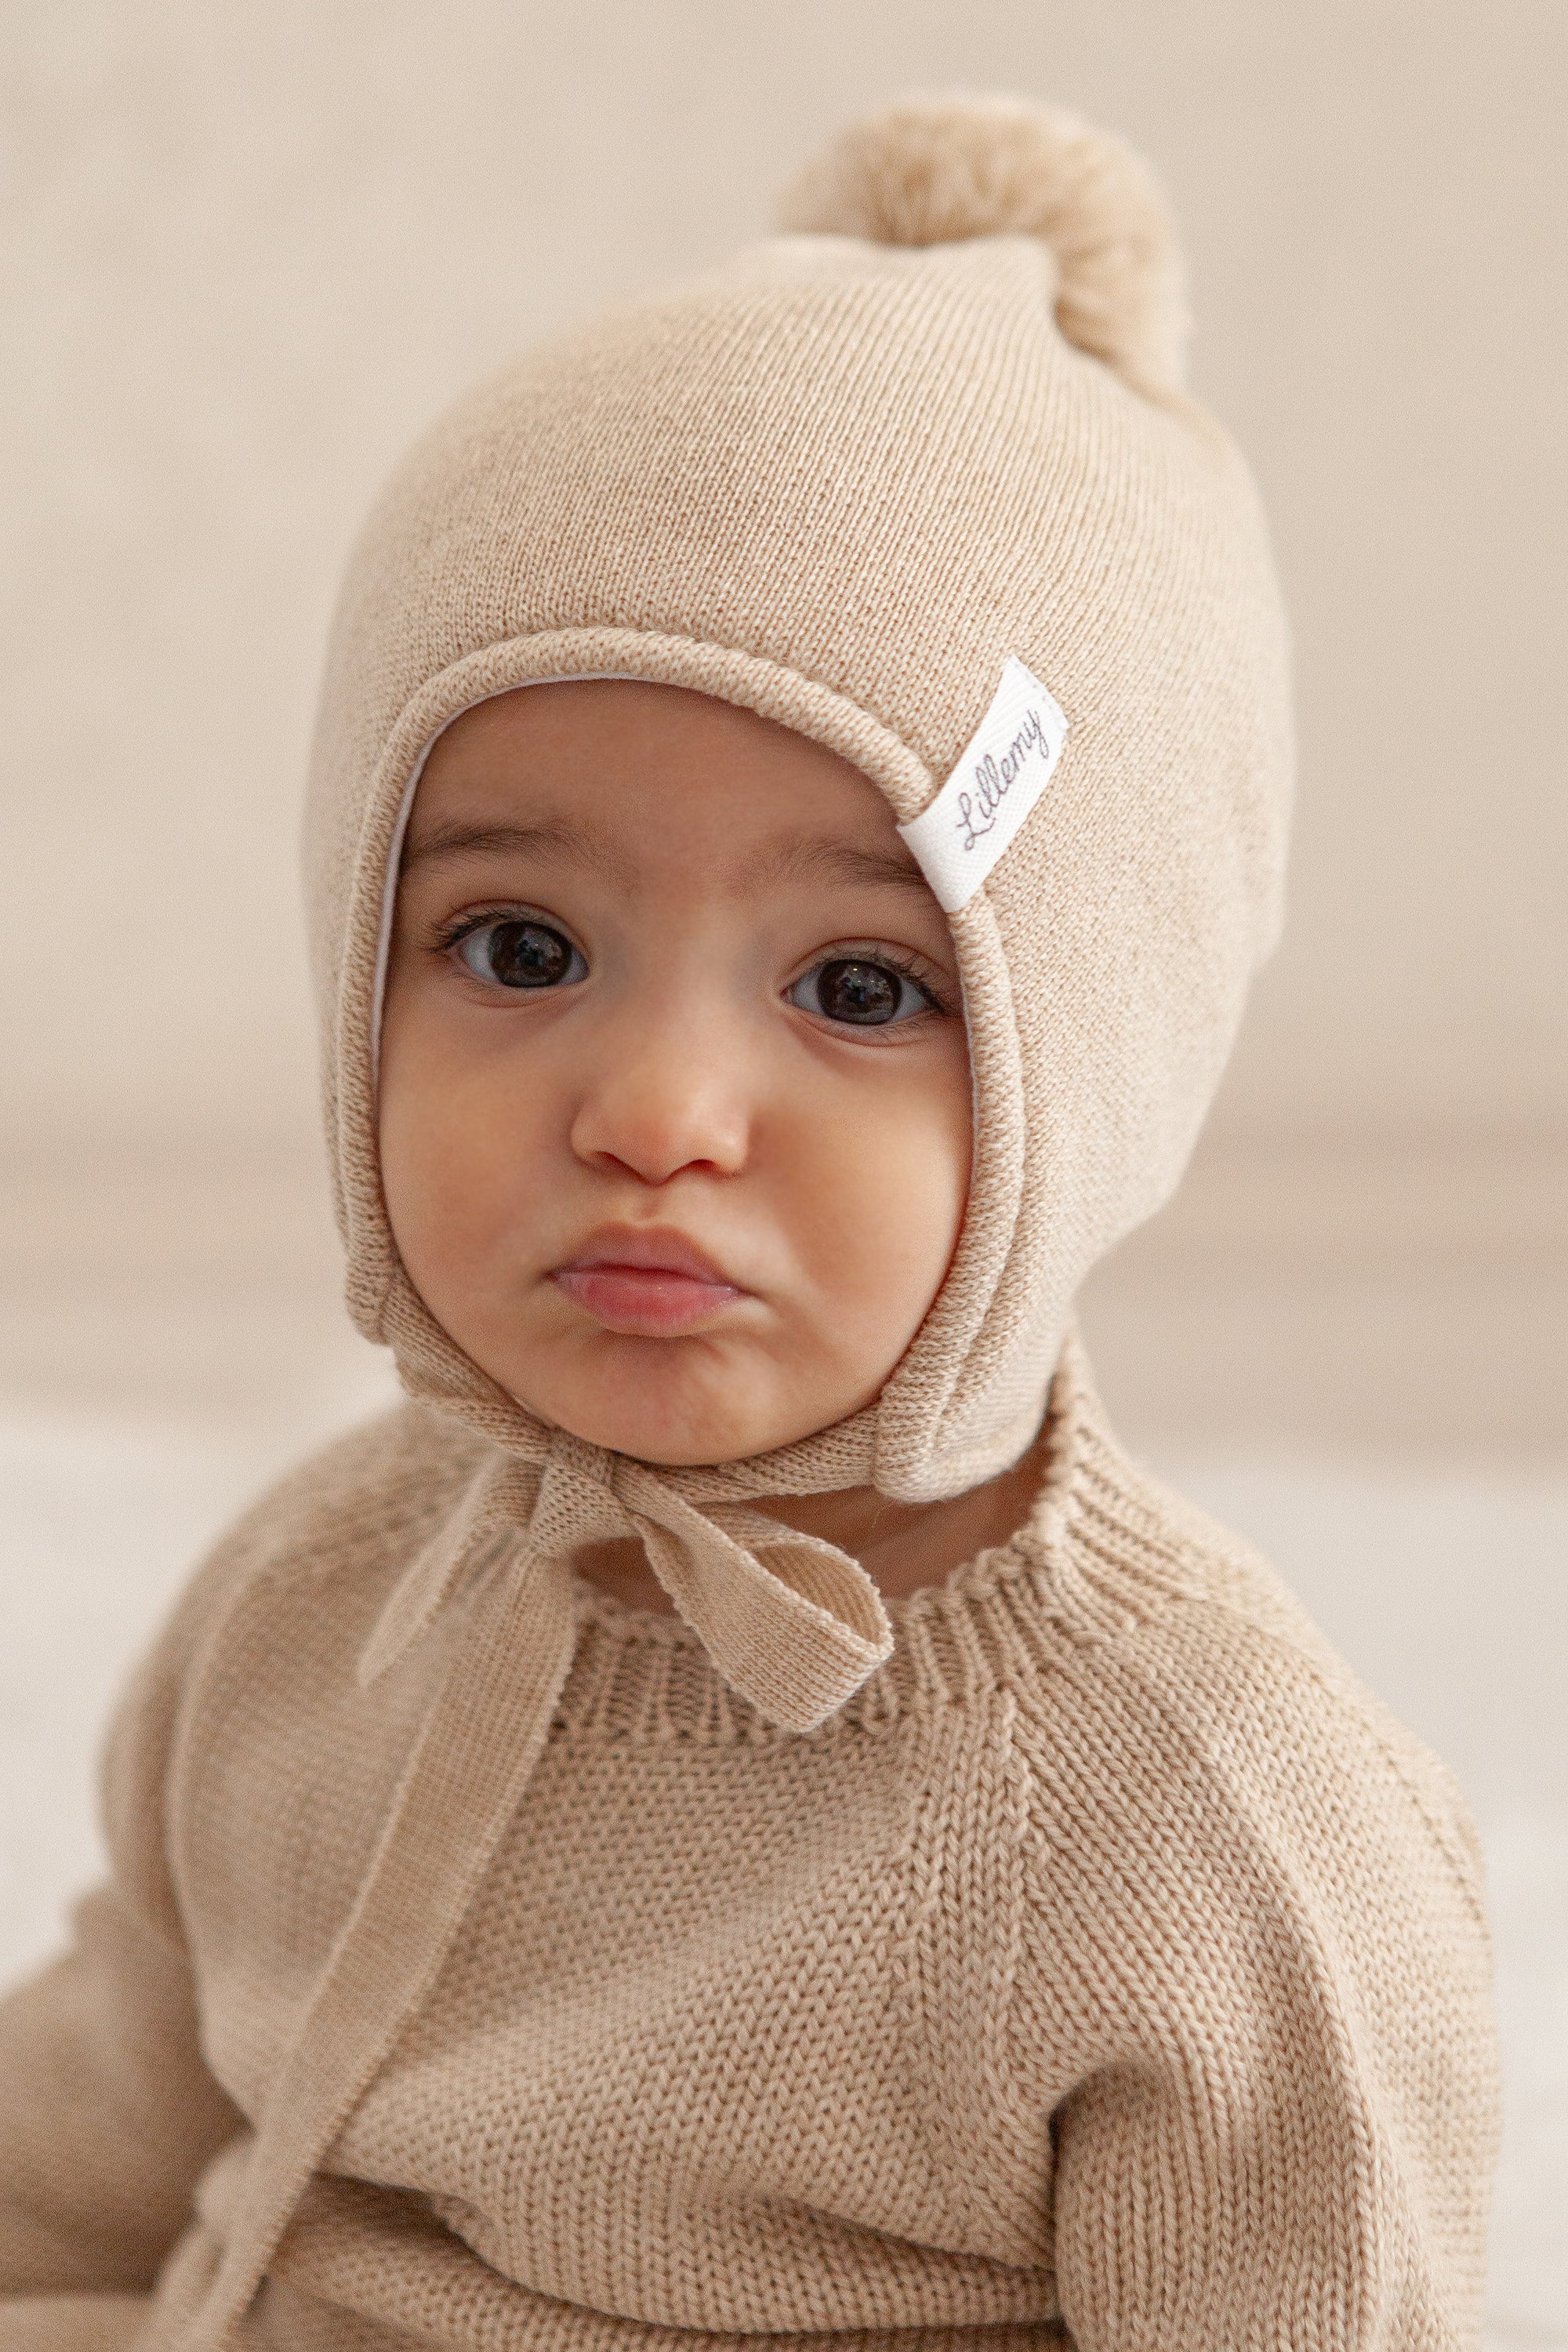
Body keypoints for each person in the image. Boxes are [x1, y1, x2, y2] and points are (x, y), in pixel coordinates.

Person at [0, 90, 1501, 2352]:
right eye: (519, 948)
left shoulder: (1208, 1832)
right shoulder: (320, 1600)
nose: (656, 1113)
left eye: (861, 989)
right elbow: (92, 2137)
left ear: (1098, 1065)